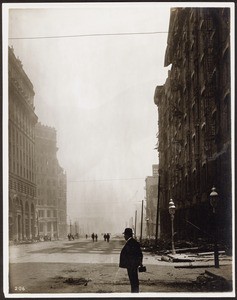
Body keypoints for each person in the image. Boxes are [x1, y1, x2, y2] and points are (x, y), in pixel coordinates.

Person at [119, 228, 143, 293]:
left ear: (127, 235)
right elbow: (140, 254)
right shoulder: (133, 242)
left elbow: (134, 254)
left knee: (133, 280)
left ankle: (134, 294)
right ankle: (134, 292)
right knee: (134, 280)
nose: (124, 236)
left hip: (131, 265)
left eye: (125, 235)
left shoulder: (131, 243)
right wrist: (139, 263)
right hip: (132, 265)